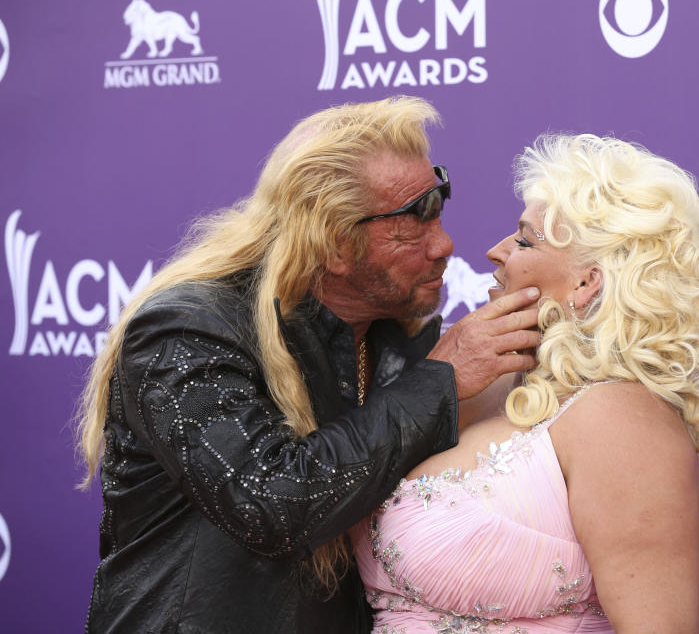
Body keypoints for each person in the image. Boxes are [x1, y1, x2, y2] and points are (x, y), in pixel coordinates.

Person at [76, 96, 541, 634]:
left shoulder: (401, 347)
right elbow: (272, 502)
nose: (445, 244)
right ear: (333, 244)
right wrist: (439, 381)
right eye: (415, 220)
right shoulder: (185, 332)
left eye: (439, 208)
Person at [349, 133, 699, 633]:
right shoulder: (485, 380)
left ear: (587, 282)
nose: (495, 251)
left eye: (524, 240)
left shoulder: (624, 423)